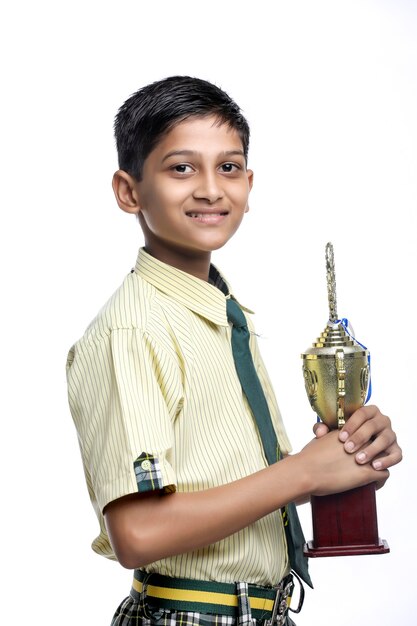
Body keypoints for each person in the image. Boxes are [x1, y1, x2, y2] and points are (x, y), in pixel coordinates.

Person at [66, 76, 402, 626]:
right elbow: (138, 533)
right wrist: (302, 474)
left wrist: (346, 461)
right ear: (129, 191)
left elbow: (228, 486)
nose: (210, 189)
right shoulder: (132, 331)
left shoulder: (220, 313)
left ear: (249, 180)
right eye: (181, 168)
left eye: (228, 167)